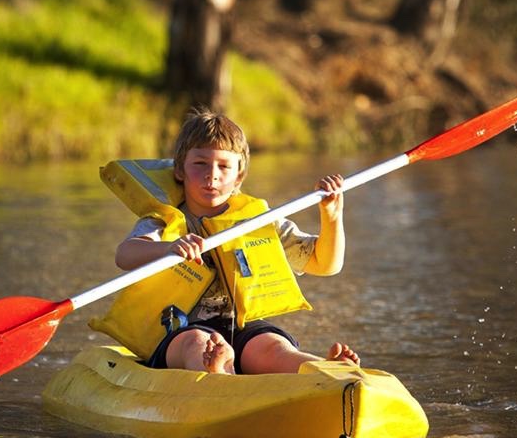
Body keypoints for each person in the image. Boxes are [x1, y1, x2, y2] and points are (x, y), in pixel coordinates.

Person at [112, 108, 360, 376]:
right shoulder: (164, 221)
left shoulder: (259, 221)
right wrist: (168, 247)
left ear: (239, 176)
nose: (213, 175)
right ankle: (215, 370)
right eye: (200, 164)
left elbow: (325, 264)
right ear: (180, 170)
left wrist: (332, 217)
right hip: (180, 328)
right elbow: (125, 255)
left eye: (224, 166)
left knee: (273, 348)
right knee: (195, 343)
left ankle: (323, 370)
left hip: (241, 327)